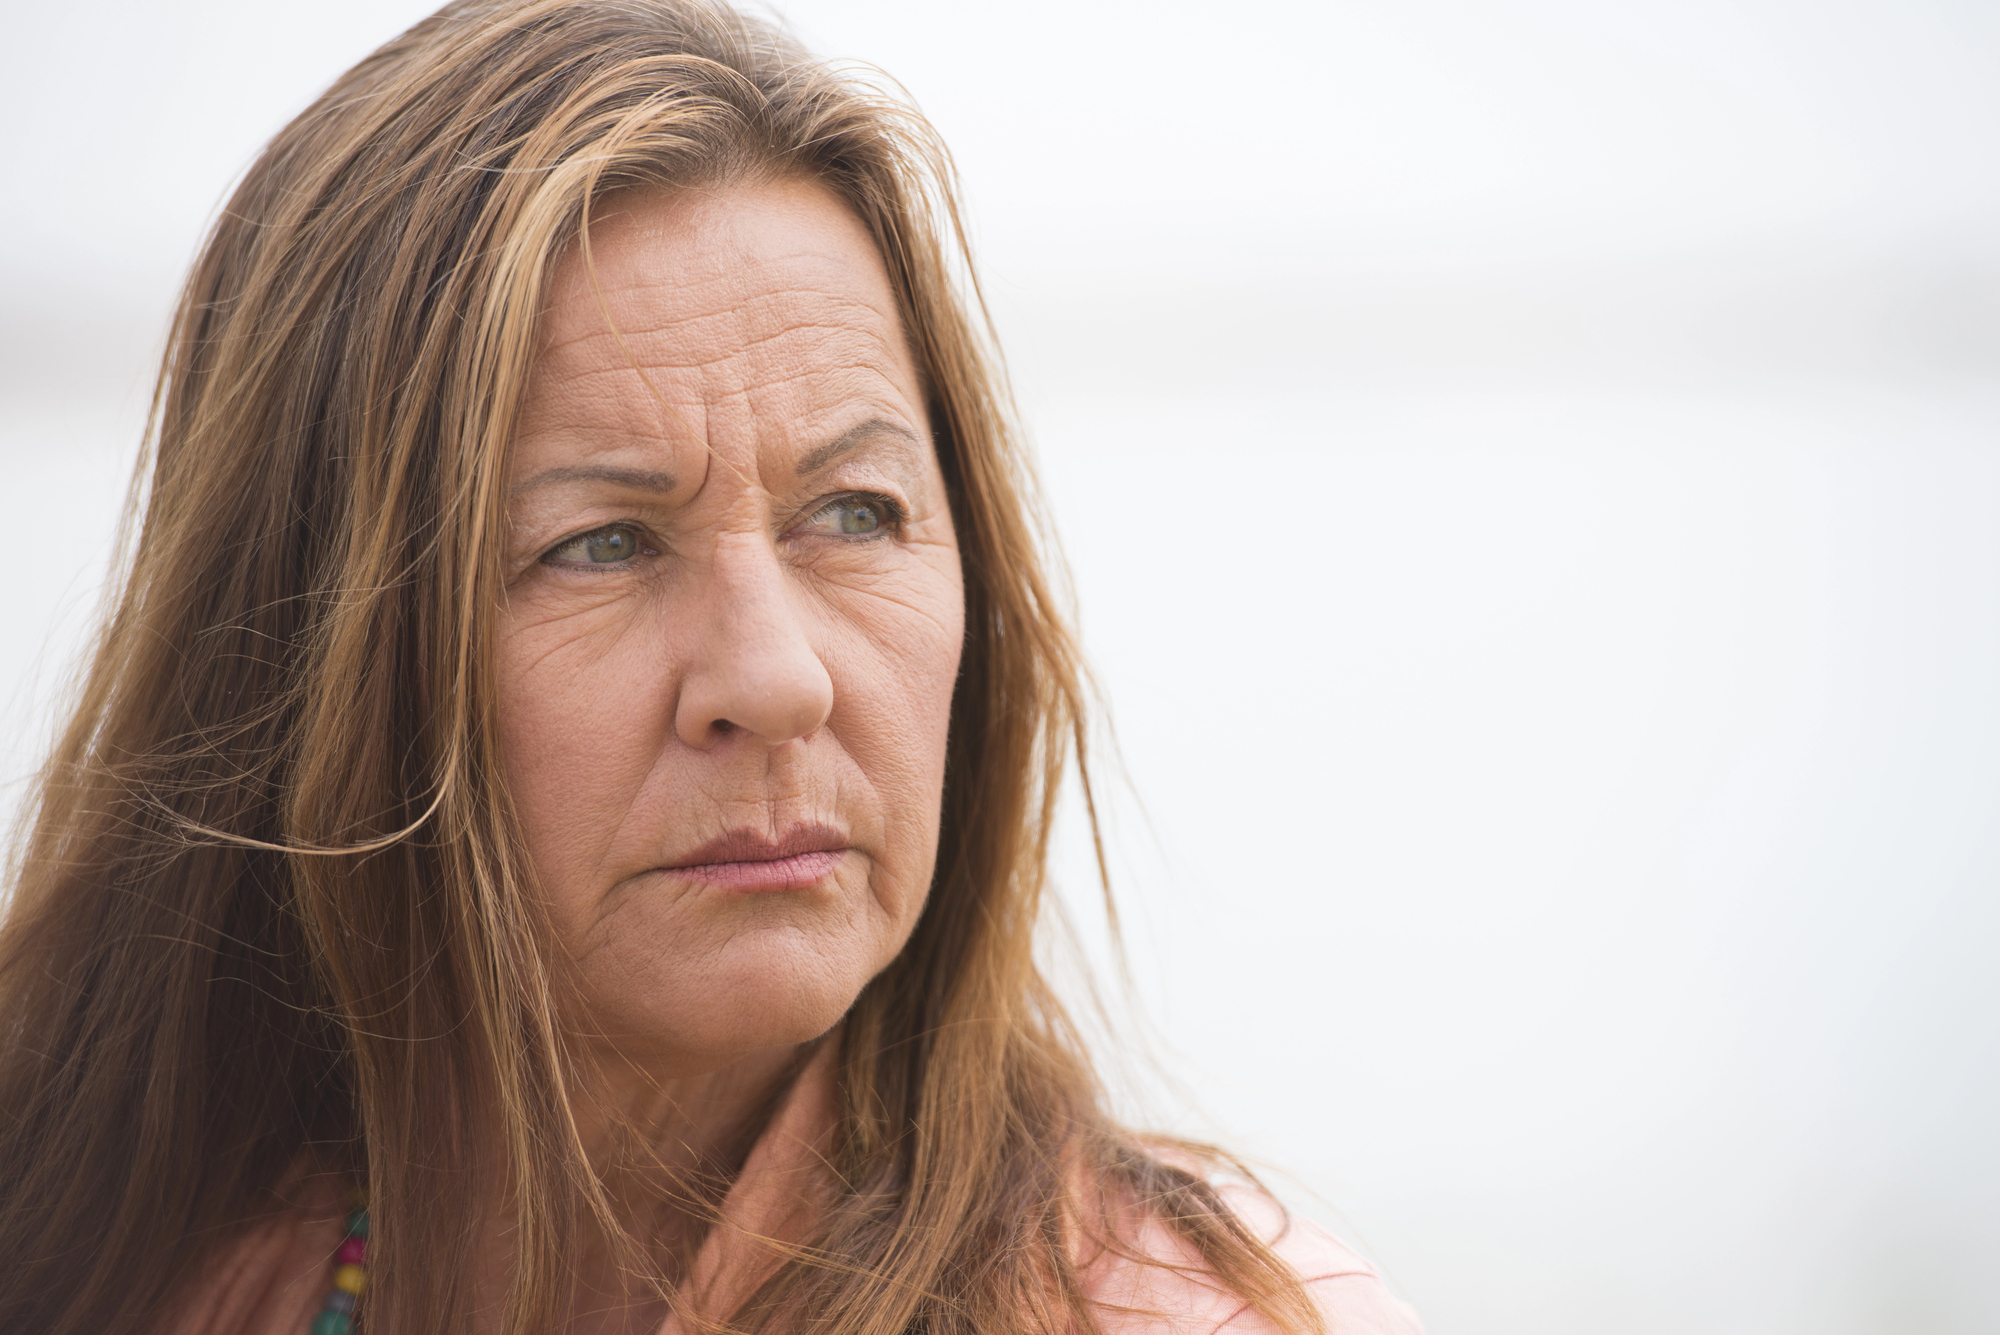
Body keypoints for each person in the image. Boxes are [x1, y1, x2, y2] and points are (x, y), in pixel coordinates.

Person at [0, 2, 1425, 1333]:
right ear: (311, 649)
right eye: (604, 542)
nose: (780, 679)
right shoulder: (91, 1248)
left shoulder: (1204, 1311)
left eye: (855, 514)